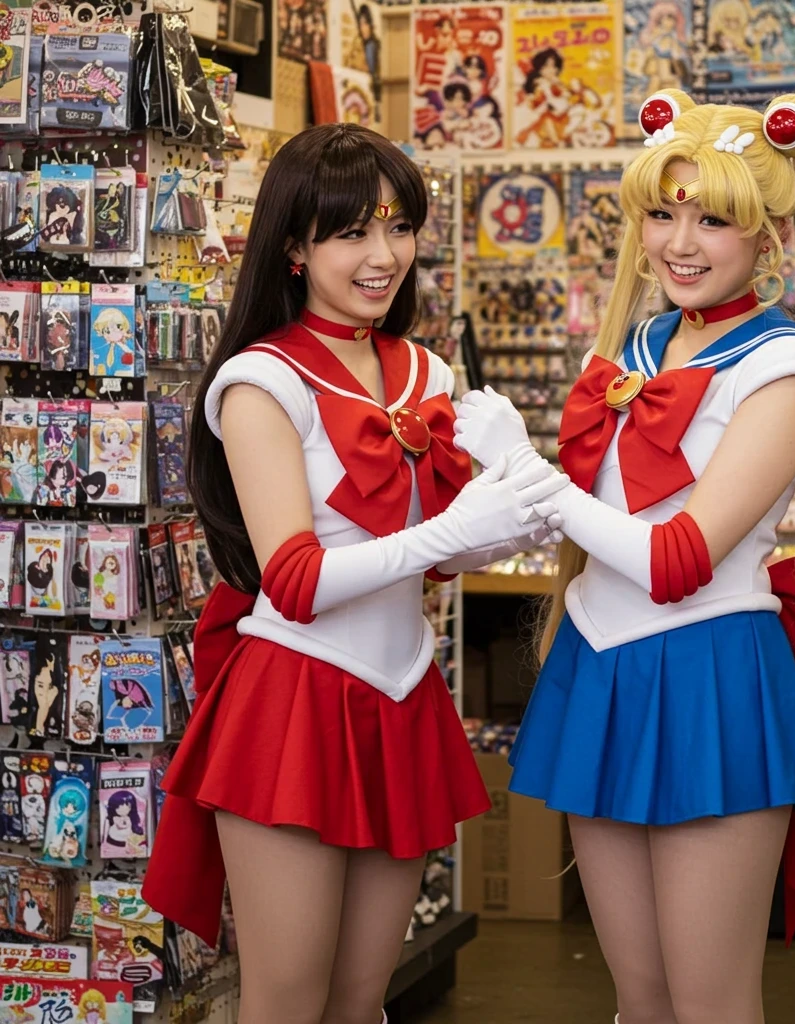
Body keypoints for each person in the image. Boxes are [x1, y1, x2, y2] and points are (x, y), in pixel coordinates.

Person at [452, 89, 795, 1024]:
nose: (681, 241)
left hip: (711, 671)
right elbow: (597, 516)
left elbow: (679, 557)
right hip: (599, 664)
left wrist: (529, 469)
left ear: (769, 232)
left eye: (713, 218)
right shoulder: (637, 346)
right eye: (662, 212)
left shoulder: (787, 370)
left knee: (710, 1006)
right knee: (638, 1000)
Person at [141, 123, 565, 1024]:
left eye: (398, 226)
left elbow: (437, 554)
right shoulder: (262, 382)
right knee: (287, 1002)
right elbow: (293, 578)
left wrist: (509, 509)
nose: (383, 256)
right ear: (293, 245)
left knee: (361, 1000)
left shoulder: (427, 371)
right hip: (292, 699)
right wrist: (458, 524)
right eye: (351, 233)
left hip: (402, 695)